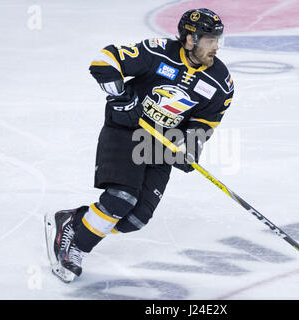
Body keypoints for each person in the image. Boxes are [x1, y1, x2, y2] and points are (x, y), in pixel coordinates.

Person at [44, 8, 234, 283]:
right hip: (126, 130)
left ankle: (75, 221)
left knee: (136, 219)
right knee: (121, 199)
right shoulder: (157, 53)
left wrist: (190, 146)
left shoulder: (220, 82)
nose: (215, 47)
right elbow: (104, 61)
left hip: (158, 144)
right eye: (209, 40)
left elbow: (207, 120)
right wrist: (121, 98)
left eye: (218, 40)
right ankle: (75, 246)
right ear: (190, 39)